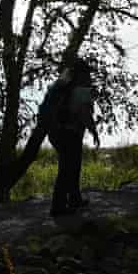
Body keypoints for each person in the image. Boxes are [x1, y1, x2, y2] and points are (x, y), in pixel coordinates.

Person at [47, 59, 100, 216]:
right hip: (70, 133)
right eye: (88, 73)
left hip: (56, 133)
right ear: (81, 74)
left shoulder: (59, 87)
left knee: (70, 166)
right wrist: (94, 131)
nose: (90, 76)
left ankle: (74, 198)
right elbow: (84, 114)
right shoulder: (81, 90)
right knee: (68, 169)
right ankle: (58, 207)